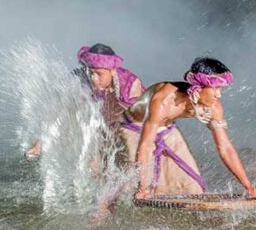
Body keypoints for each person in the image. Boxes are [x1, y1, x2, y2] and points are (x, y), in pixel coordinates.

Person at [27, 44, 206, 195]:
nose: (93, 79)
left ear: (112, 70)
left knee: (125, 173)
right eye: (90, 72)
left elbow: (141, 121)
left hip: (128, 129)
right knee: (92, 172)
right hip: (95, 128)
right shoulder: (77, 78)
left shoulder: (130, 84)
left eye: (99, 74)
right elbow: (58, 110)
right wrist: (41, 141)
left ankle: (143, 190)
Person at [133, 57, 256, 200]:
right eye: (215, 88)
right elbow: (145, 145)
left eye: (220, 89)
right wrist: (142, 187)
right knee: (132, 185)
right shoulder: (164, 101)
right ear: (198, 87)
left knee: (193, 187)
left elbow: (226, 149)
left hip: (166, 127)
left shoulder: (214, 107)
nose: (219, 94)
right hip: (134, 126)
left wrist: (249, 187)